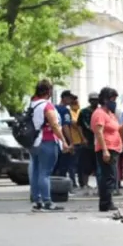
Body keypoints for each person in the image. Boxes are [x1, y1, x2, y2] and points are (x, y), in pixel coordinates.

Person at [27, 79, 66, 212]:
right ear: (48, 91)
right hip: (47, 141)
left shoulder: (32, 104)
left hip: (34, 143)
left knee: (36, 172)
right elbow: (55, 125)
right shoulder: (47, 106)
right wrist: (64, 142)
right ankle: (47, 201)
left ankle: (37, 200)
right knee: (45, 173)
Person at [92, 87, 123, 212]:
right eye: (112, 99)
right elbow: (99, 132)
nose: (114, 102)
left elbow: (116, 129)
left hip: (114, 149)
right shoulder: (99, 114)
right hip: (107, 148)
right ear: (105, 99)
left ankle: (108, 202)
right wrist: (104, 150)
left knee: (111, 176)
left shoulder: (110, 114)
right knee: (108, 177)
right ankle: (105, 203)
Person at [76, 93, 100, 192]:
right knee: (86, 165)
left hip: (98, 141)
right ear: (89, 101)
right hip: (88, 141)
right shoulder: (84, 112)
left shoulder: (100, 111)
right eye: (93, 100)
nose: (95, 101)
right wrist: (83, 138)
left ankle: (99, 185)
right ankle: (85, 184)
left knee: (98, 165)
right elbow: (79, 125)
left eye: (96, 100)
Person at [53, 90, 76, 183]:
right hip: (63, 141)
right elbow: (65, 126)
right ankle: (60, 188)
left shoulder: (53, 108)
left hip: (54, 139)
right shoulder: (65, 110)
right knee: (63, 166)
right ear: (65, 98)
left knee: (54, 165)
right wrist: (71, 142)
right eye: (70, 98)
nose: (71, 101)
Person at [68, 95, 86, 190]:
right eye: (75, 101)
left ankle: (82, 183)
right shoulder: (69, 112)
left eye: (77, 101)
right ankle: (73, 183)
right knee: (72, 164)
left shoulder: (80, 112)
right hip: (74, 141)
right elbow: (75, 124)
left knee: (81, 164)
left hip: (81, 141)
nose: (77, 103)